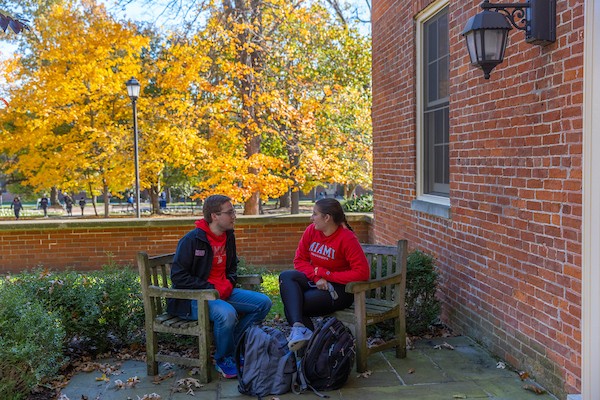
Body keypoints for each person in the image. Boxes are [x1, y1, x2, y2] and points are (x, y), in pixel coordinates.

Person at [167, 194, 272, 379]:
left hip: (222, 292)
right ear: (215, 216)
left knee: (263, 303)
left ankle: (233, 346)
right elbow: (178, 276)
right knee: (227, 313)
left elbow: (232, 267)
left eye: (233, 211)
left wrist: (228, 283)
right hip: (194, 298)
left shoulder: (228, 236)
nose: (234, 216)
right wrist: (208, 287)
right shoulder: (192, 240)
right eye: (230, 212)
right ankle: (224, 358)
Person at [279, 198, 370, 351]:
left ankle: (310, 348)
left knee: (295, 304)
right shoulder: (312, 231)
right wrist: (317, 277)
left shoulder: (347, 238)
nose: (311, 218)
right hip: (318, 281)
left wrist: (327, 274)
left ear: (327, 218)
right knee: (286, 276)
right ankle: (300, 332)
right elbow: (299, 260)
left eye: (315, 214)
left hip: (341, 290)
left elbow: (362, 273)